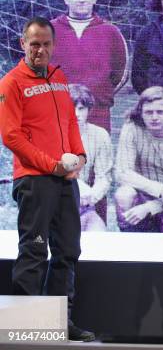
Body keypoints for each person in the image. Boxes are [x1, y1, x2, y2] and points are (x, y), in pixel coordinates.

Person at [0, 17, 94, 341]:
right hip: (34, 180)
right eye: (34, 43)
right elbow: (11, 137)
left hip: (65, 179)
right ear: (23, 44)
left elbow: (69, 121)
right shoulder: (11, 83)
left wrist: (79, 156)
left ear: (53, 46)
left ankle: (58, 324)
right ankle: (26, 329)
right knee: (34, 251)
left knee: (67, 250)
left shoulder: (59, 77)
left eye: (45, 44)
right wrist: (50, 165)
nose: (40, 50)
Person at [51, 0, 128, 132]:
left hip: (97, 113)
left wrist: (99, 94)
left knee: (95, 156)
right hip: (56, 112)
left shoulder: (110, 31)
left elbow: (120, 73)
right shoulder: (48, 30)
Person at [114, 86, 163, 233]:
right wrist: (160, 190)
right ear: (141, 113)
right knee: (123, 195)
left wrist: (150, 207)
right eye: (148, 112)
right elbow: (123, 173)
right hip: (143, 194)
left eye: (160, 112)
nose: (154, 117)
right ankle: (129, 245)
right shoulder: (132, 129)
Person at [69, 84, 112, 231]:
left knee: (100, 237)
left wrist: (91, 196)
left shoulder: (100, 135)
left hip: (84, 205)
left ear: (89, 109)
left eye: (81, 109)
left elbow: (104, 177)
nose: (76, 114)